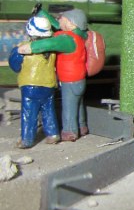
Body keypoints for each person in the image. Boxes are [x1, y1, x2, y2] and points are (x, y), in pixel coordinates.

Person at [18, 8, 88, 142]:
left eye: (62, 19)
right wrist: (43, 13)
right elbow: (57, 27)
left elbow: (49, 43)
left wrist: (30, 47)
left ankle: (70, 131)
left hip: (70, 80)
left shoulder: (67, 40)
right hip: (79, 79)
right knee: (78, 105)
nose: (58, 21)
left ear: (71, 23)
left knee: (69, 106)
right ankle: (82, 126)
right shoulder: (79, 35)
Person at [8, 17, 60, 148]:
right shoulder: (52, 49)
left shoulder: (23, 48)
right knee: (48, 110)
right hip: (48, 84)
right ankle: (53, 134)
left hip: (30, 85)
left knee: (29, 113)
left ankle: (27, 140)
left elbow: (15, 66)